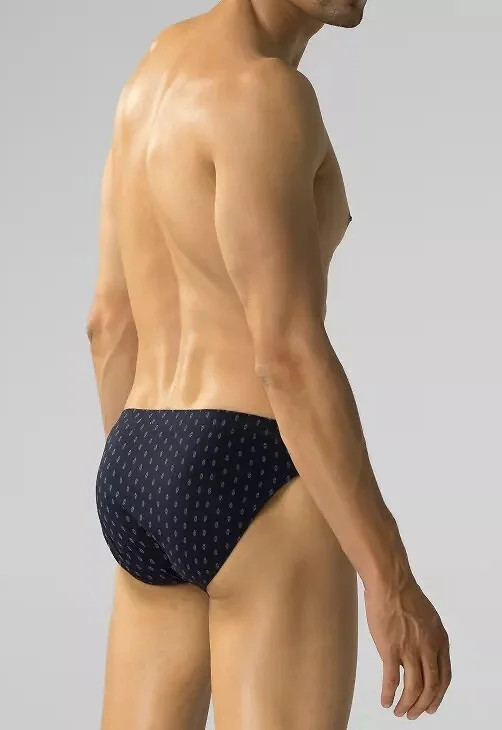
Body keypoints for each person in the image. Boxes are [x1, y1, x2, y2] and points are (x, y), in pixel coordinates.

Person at [87, 1, 451, 728]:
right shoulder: (266, 94)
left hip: (137, 459)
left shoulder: (150, 77)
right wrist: (391, 579)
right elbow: (286, 354)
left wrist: (157, 485)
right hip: (252, 464)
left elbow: (108, 321)